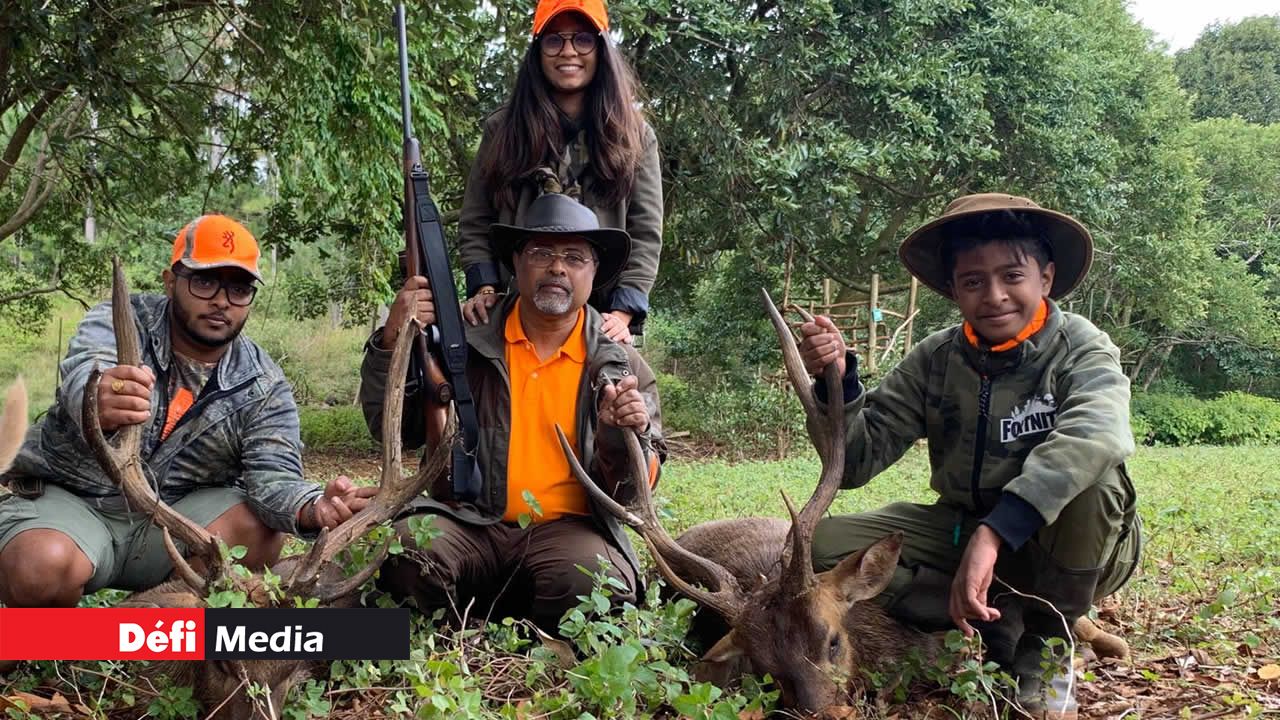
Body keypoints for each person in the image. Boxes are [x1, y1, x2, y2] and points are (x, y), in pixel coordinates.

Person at [798, 194, 1142, 719]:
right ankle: (998, 616)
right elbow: (858, 461)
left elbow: (1097, 435)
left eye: (1012, 276)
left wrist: (996, 531)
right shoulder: (936, 359)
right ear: (954, 290)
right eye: (974, 281)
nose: (995, 295)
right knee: (820, 548)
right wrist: (838, 384)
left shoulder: (1081, 346)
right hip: (963, 528)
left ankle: (1048, 647)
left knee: (1093, 482)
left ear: (1046, 278)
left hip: (1067, 543)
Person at [0, 215, 376, 608]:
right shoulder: (120, 320)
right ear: (170, 281)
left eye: (239, 288)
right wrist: (97, 399)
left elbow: (274, 478)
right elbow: (85, 371)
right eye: (205, 281)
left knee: (259, 532)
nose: (221, 301)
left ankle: (150, 614)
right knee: (40, 566)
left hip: (171, 522)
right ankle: (50, 631)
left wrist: (314, 506)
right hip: (76, 503)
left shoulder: (262, 383)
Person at [360, 192, 664, 633]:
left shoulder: (621, 364)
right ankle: (450, 628)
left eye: (574, 257)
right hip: (468, 523)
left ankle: (524, 627)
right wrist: (393, 338)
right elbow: (391, 427)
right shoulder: (464, 338)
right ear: (516, 263)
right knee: (409, 549)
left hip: (568, 531)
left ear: (594, 271)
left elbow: (634, 496)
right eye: (540, 253)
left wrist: (621, 434)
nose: (557, 268)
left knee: (595, 581)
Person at [458, 0, 662, 346]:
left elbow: (645, 231)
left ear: (601, 48)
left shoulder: (634, 135)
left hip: (600, 317)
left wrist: (623, 312)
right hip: (515, 311)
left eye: (582, 39)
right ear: (538, 51)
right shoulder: (503, 129)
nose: (568, 51)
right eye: (554, 40)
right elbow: (476, 219)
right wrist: (484, 286)